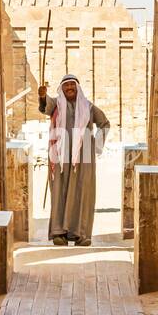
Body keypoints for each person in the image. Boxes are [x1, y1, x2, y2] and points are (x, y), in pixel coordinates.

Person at [38, 75, 110, 247]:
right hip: (59, 155)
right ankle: (59, 233)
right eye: (66, 85)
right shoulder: (56, 105)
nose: (69, 87)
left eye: (72, 84)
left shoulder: (89, 107)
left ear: (77, 87)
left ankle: (81, 234)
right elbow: (45, 107)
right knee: (59, 191)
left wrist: (95, 146)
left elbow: (104, 123)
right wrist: (42, 96)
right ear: (62, 89)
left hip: (83, 155)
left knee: (82, 192)